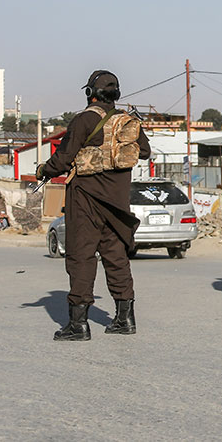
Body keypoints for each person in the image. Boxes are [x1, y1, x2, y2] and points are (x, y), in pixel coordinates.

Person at [37, 70, 151, 341]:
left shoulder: (84, 120)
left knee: (81, 257)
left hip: (85, 201)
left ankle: (78, 325)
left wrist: (43, 170)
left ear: (91, 94)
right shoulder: (128, 121)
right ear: (116, 95)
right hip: (117, 205)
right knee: (116, 257)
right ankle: (124, 319)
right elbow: (145, 152)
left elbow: (62, 159)